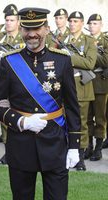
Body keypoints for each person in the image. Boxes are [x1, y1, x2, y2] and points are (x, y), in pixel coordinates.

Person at [0, 7, 81, 200]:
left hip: (55, 143)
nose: (32, 34)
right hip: (20, 144)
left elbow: (73, 106)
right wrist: (19, 121)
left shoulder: (62, 60)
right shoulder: (9, 62)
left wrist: (74, 146)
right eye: (26, 28)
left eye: (37, 28)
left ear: (47, 29)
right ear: (21, 30)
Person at [66, 11, 97, 170]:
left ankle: (80, 156)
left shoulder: (89, 41)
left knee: (82, 123)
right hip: (64, 87)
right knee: (65, 121)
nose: (72, 24)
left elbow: (90, 63)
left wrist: (69, 57)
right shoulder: (61, 40)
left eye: (76, 21)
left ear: (82, 23)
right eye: (70, 21)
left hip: (81, 87)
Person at [0, 8, 25, 164]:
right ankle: (8, 151)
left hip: (17, 83)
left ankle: (15, 151)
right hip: (1, 82)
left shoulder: (22, 38)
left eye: (12, 20)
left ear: (18, 22)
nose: (8, 23)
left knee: (18, 115)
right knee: (4, 116)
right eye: (7, 20)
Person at [86, 14, 108, 160]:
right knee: (87, 118)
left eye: (95, 23)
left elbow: (106, 60)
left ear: (100, 25)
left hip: (100, 83)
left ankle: (98, 148)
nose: (92, 26)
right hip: (86, 83)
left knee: (100, 118)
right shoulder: (85, 40)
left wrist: (91, 55)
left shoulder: (105, 41)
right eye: (91, 23)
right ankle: (88, 146)